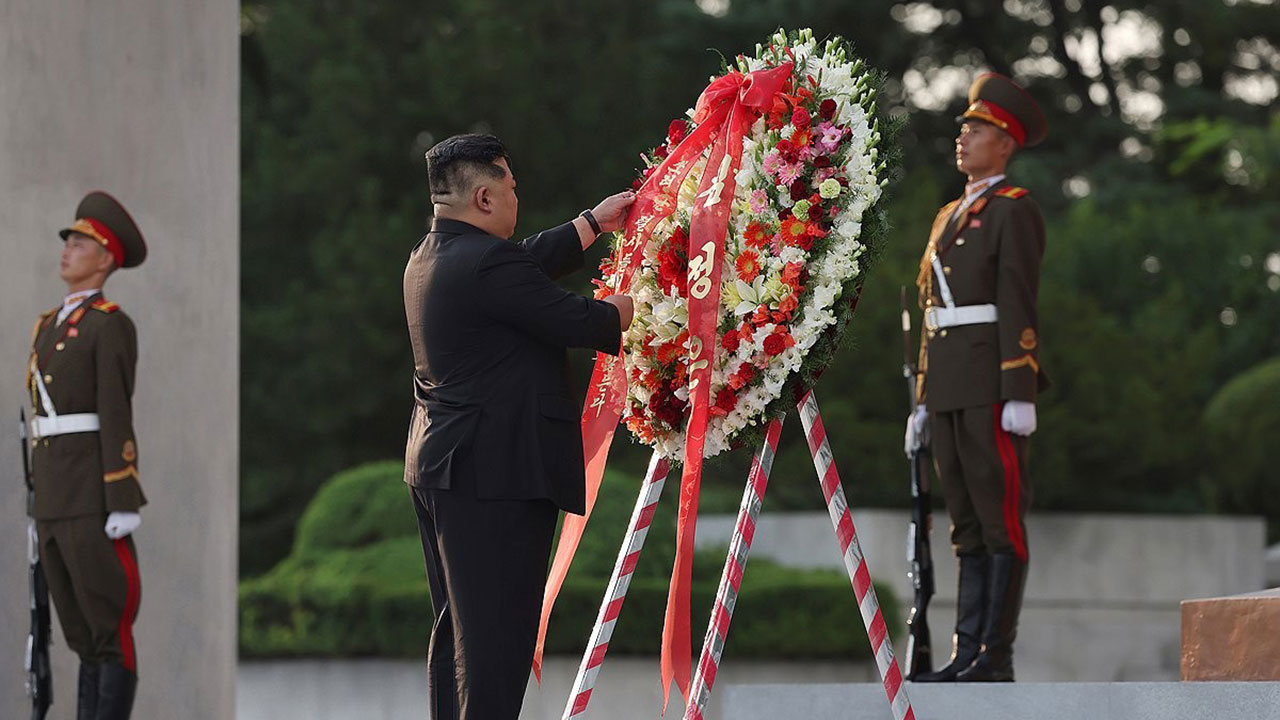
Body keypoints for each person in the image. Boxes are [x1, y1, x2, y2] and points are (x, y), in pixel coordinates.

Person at [402, 133, 635, 719]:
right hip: (492, 476)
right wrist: (669, 295)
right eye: (511, 185)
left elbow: (524, 262)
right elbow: (580, 320)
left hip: (447, 468)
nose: (516, 196)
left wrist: (591, 224)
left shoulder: (432, 255)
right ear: (484, 198)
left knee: (461, 637)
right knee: (494, 647)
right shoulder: (486, 265)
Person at [904, 73, 1049, 683]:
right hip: (947, 387)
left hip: (991, 381)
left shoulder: (1014, 211)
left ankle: (996, 655)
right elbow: (932, 314)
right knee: (964, 520)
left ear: (1006, 145)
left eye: (977, 129)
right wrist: (920, 401)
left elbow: (1018, 299)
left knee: (999, 517)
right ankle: (967, 653)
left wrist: (1019, 388)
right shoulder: (948, 214)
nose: (962, 137)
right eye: (963, 128)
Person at [27, 191, 147, 718]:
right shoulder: (47, 325)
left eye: (80, 243)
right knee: (77, 632)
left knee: (108, 629)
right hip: (53, 497)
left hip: (92, 498)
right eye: (69, 241)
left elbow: (114, 410)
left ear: (105, 259)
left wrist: (121, 494)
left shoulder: (108, 323)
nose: (68, 250)